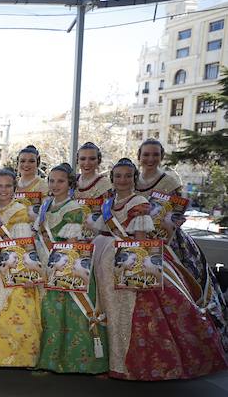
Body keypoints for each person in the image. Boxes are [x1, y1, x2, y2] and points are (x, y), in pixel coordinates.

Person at [92, 158, 226, 380]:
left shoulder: (139, 203)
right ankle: (105, 360)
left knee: (127, 312)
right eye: (117, 176)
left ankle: (125, 364)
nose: (122, 180)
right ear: (112, 179)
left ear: (134, 178)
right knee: (105, 309)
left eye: (127, 175)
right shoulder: (108, 203)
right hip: (102, 258)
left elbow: (140, 241)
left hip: (126, 260)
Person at [134, 139, 228, 351]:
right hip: (138, 238)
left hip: (168, 241)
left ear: (161, 156)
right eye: (146, 154)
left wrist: (174, 220)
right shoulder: (132, 180)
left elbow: (178, 211)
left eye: (155, 154)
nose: (150, 159)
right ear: (139, 156)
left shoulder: (169, 182)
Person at [34, 163, 108, 374]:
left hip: (67, 268)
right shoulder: (45, 205)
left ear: (70, 184)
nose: (55, 185)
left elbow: (72, 245)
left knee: (72, 314)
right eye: (51, 180)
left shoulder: (74, 209)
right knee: (51, 315)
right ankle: (50, 361)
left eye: (60, 181)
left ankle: (80, 362)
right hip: (48, 266)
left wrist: (60, 267)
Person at [0, 168, 42, 368]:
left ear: (15, 188)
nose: (3, 190)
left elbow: (23, 246)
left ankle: (19, 358)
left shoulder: (20, 212)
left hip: (13, 269)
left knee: (14, 312)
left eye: (8, 185)